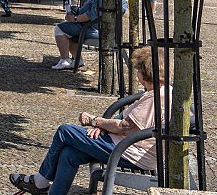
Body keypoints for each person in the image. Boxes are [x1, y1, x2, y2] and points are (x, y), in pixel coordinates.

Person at [10, 45, 165, 195]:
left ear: (144, 74)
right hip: (125, 145)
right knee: (69, 153)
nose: (136, 73)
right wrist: (104, 127)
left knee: (65, 131)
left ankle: (40, 182)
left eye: (137, 69)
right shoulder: (157, 92)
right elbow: (125, 118)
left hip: (131, 153)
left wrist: (95, 121)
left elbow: (125, 126)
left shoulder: (157, 97)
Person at [50, 0, 101, 70]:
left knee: (60, 28)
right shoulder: (120, 0)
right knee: (69, 30)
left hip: (92, 30)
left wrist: (75, 19)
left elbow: (90, 15)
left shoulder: (102, 0)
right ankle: (78, 60)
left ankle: (65, 60)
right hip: (103, 30)